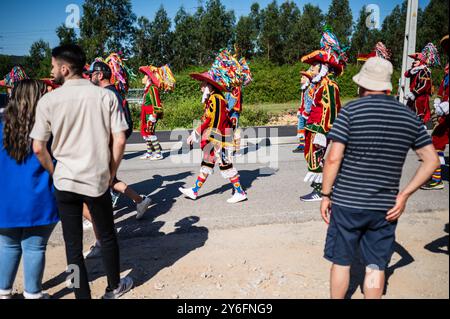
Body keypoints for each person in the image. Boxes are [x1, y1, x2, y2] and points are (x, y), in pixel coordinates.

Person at [320, 57, 440, 299]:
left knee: (342, 262)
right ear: (388, 87)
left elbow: (333, 158)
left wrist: (325, 194)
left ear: (362, 85)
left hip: (347, 203)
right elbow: (432, 161)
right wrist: (404, 195)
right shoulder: (408, 117)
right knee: (375, 264)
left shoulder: (350, 111)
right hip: (385, 206)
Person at [30, 44, 133, 299]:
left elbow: (38, 148)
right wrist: (111, 172)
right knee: (107, 236)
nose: (51, 70)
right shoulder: (106, 96)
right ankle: (113, 287)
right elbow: (120, 140)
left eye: (53, 66)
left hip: (65, 182)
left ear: (65, 68)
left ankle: (81, 294)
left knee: (73, 244)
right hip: (96, 178)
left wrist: (54, 171)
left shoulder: (48, 100)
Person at [82, 61, 152, 259]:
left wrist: (109, 142)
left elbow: (117, 125)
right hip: (107, 146)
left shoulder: (108, 94)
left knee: (98, 185)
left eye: (92, 74)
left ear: (101, 75)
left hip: (105, 147)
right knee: (109, 182)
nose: (89, 77)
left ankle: (101, 234)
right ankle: (139, 200)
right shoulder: (114, 93)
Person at [0, 80, 59, 299]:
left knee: (8, 246)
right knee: (35, 247)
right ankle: (33, 293)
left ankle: (4, 292)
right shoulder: (48, 130)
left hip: (5, 200)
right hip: (39, 197)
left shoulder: (2, 127)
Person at [178, 70, 247, 204]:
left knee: (225, 164)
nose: (201, 87)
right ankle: (194, 191)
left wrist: (197, 133)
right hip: (217, 136)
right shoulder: (213, 98)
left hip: (220, 137)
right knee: (208, 162)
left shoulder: (216, 99)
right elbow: (209, 120)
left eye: (203, 83)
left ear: (209, 85)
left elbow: (213, 121)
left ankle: (240, 192)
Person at [299, 29, 345, 202]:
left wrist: (322, 132)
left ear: (323, 67)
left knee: (315, 159)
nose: (311, 69)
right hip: (313, 126)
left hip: (320, 129)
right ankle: (328, 185)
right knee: (311, 157)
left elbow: (331, 111)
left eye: (314, 66)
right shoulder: (320, 84)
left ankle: (320, 191)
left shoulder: (329, 85)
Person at [421, 35, 449, 190]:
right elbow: (443, 89)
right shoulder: (448, 68)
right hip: (447, 115)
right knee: (436, 142)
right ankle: (437, 179)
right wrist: (438, 100)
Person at [404, 43, 441, 125]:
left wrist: (414, 93)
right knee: (409, 114)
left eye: (415, 61)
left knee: (419, 116)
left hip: (420, 97)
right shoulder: (415, 70)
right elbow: (406, 74)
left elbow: (424, 85)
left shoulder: (424, 71)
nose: (413, 63)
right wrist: (412, 70)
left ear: (421, 61)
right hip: (414, 96)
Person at [139, 66, 164, 161]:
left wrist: (153, 117)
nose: (142, 78)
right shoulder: (148, 88)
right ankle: (149, 153)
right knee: (146, 133)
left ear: (149, 78)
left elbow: (156, 104)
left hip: (151, 114)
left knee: (150, 132)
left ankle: (158, 153)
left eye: (144, 76)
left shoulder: (153, 88)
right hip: (145, 114)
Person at [293, 70, 315, 153]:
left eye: (303, 77)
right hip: (303, 111)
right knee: (301, 128)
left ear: (307, 79)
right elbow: (303, 101)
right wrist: (300, 109)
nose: (301, 78)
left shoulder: (309, 88)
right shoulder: (304, 88)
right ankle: (302, 145)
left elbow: (309, 101)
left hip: (306, 112)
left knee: (305, 128)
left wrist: (306, 112)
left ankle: (306, 145)